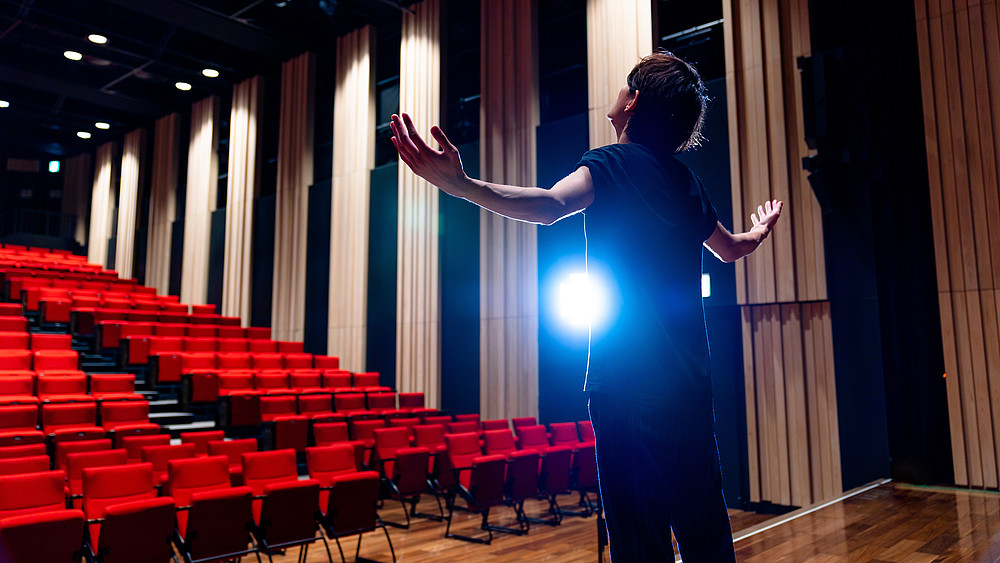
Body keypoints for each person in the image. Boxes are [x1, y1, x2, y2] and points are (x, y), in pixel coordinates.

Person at [391, 51, 782, 562]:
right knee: (704, 523)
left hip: (626, 385)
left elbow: (550, 206)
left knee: (639, 535)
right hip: (690, 383)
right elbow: (730, 248)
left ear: (634, 101)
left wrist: (462, 186)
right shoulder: (687, 182)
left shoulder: (610, 163)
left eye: (625, 85)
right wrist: (758, 230)